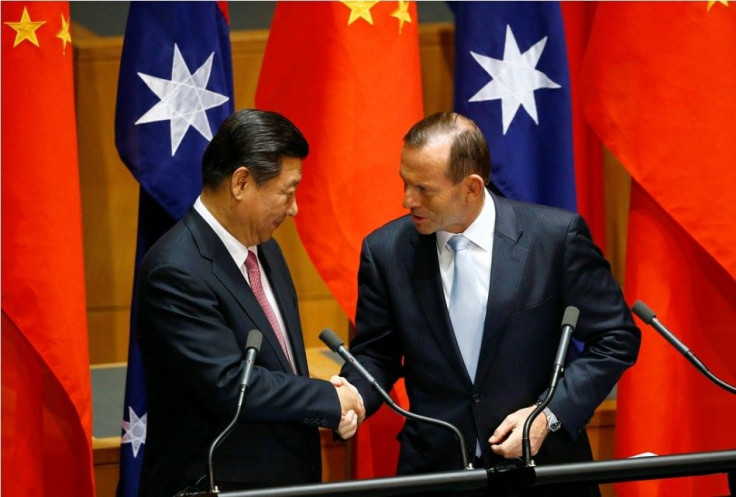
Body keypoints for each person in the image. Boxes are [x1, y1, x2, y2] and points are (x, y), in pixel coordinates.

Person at [341, 112, 640, 496]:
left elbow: (615, 337)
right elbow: (377, 354)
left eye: (424, 189)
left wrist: (548, 415)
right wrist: (354, 396)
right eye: (405, 183)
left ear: (471, 187)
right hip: (437, 470)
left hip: (542, 468)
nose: (407, 200)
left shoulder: (553, 239)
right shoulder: (385, 251)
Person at [135, 109, 364, 497]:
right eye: (287, 191)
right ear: (241, 182)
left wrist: (332, 406)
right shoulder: (175, 270)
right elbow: (228, 383)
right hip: (215, 485)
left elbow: (282, 367)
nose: (294, 208)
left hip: (287, 481)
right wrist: (328, 398)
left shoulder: (266, 250)